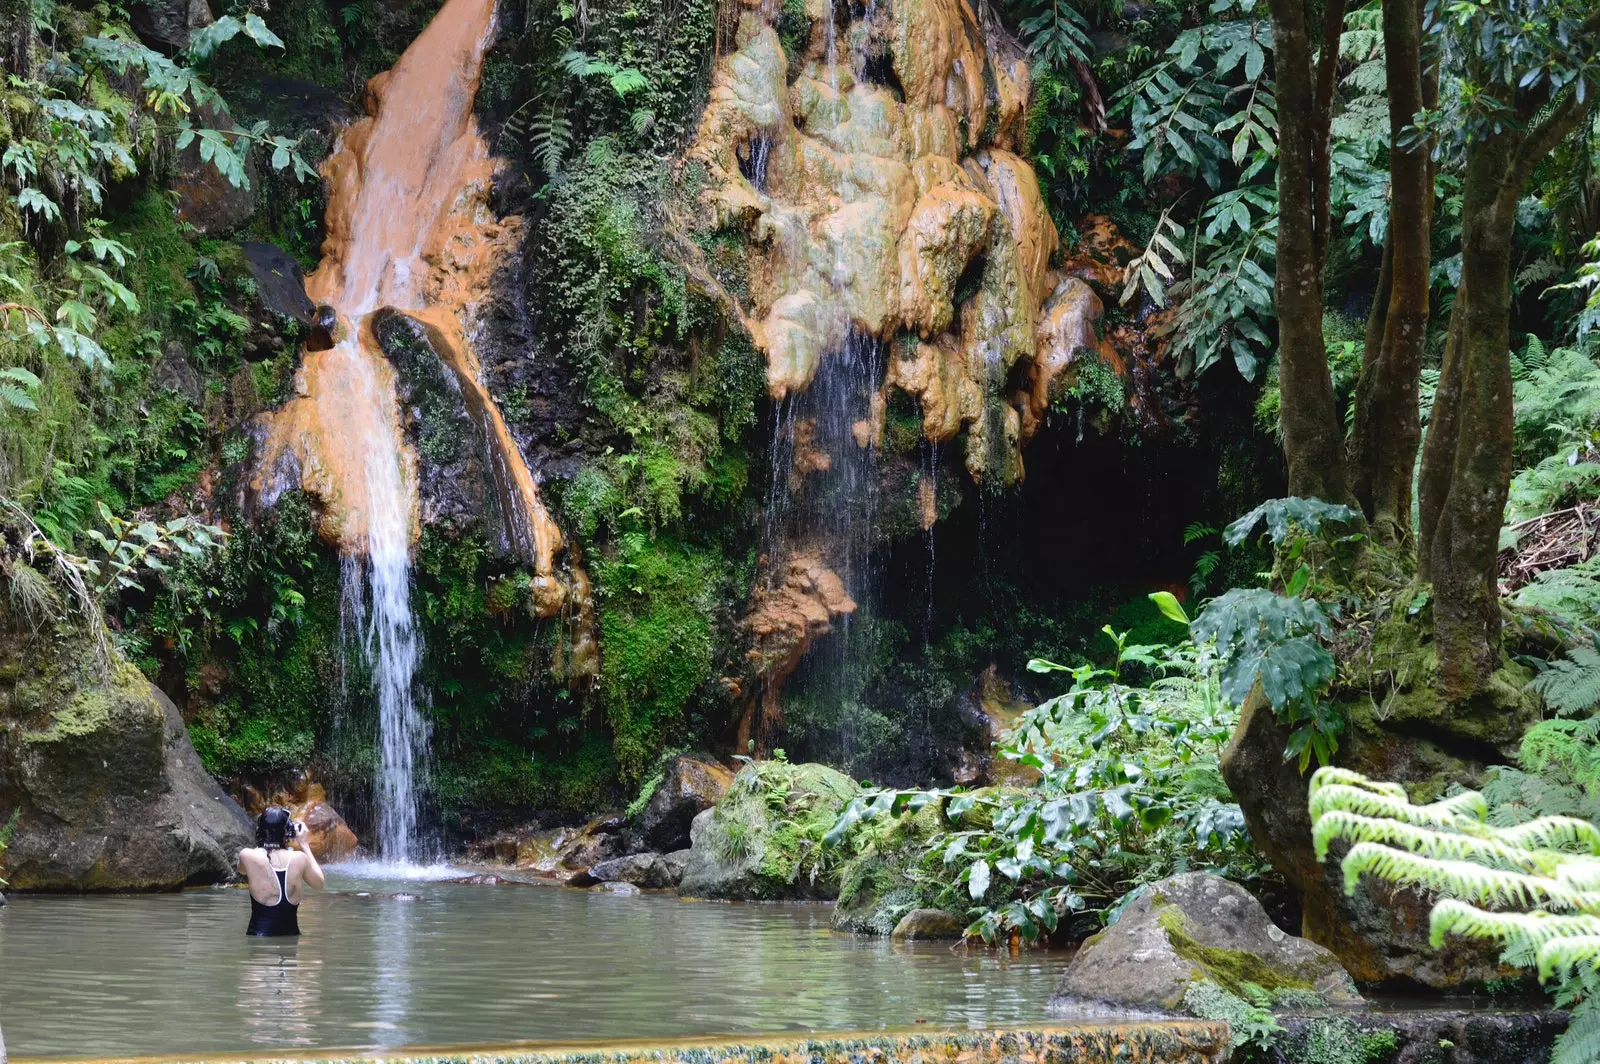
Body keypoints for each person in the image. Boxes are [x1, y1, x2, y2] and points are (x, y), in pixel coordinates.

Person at [240, 806, 325, 937]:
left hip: (259, 942)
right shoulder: (299, 858)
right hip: (291, 939)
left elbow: (242, 871)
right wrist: (304, 844)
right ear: (288, 833)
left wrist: (263, 841)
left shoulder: (248, 856)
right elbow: (319, 884)